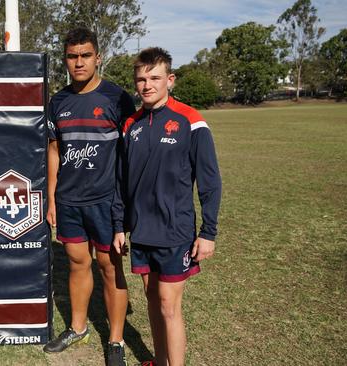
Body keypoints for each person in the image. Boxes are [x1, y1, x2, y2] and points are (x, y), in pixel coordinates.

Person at [112, 47, 222, 366]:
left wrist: (208, 232)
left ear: (170, 80)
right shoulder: (130, 124)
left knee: (168, 306)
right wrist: (120, 226)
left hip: (175, 232)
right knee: (151, 300)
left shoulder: (191, 121)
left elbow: (210, 181)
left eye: (155, 78)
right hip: (142, 232)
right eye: (141, 79)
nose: (147, 85)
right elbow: (121, 181)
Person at [44, 27, 135, 366]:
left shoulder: (117, 98)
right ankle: (78, 327)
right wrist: (53, 198)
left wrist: (125, 204)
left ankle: (115, 340)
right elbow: (54, 151)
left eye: (85, 55)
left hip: (106, 201)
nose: (78, 62)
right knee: (78, 263)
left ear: (98, 57)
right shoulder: (58, 101)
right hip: (68, 201)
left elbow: (130, 154)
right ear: (65, 59)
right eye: (72, 56)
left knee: (109, 267)